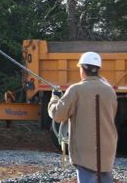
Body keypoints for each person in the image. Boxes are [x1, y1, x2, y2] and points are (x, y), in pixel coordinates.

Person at [48, 52, 117, 183]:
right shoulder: (110, 91)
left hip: (85, 151)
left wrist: (55, 97)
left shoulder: (76, 89)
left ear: (83, 69)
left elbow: (58, 115)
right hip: (107, 149)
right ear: (98, 69)